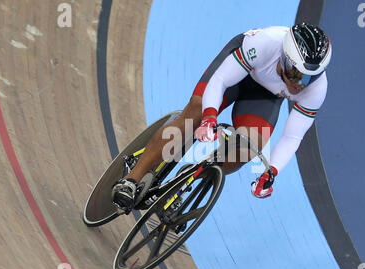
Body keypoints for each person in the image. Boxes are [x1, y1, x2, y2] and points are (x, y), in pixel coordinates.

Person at [112, 23, 332, 209]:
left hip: (263, 96)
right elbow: (221, 81)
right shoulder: (264, 43)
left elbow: (293, 137)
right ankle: (131, 179)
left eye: (309, 78)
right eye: (296, 75)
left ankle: (189, 180)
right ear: (284, 58)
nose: (300, 85)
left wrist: (270, 172)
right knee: (195, 114)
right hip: (234, 74)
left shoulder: (317, 89)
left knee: (250, 147)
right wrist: (209, 117)